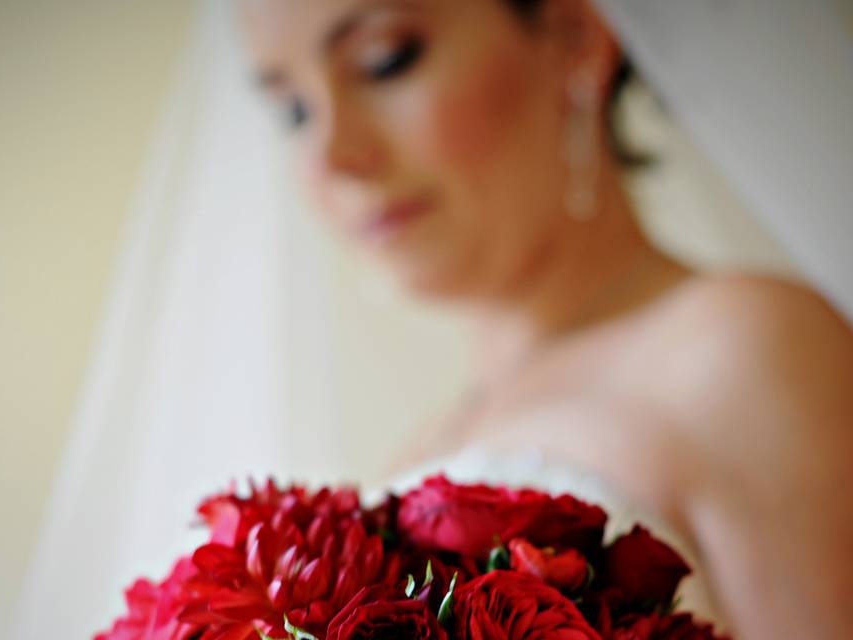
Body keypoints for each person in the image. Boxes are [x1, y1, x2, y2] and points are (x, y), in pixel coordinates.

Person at [240, 1, 853, 638]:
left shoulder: (741, 347)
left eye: (385, 61)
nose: (331, 155)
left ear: (573, 38)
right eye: (294, 111)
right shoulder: (416, 454)